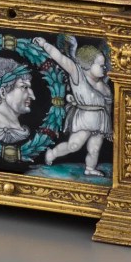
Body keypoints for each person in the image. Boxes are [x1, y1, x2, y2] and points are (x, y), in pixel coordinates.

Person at [34, 38, 112, 177]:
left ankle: (90, 168)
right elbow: (60, 58)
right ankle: (52, 153)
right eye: (100, 65)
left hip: (100, 119)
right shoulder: (77, 74)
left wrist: (109, 127)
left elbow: (108, 104)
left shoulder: (103, 85)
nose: (104, 67)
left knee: (94, 149)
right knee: (74, 145)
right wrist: (44, 44)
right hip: (84, 117)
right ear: (87, 64)